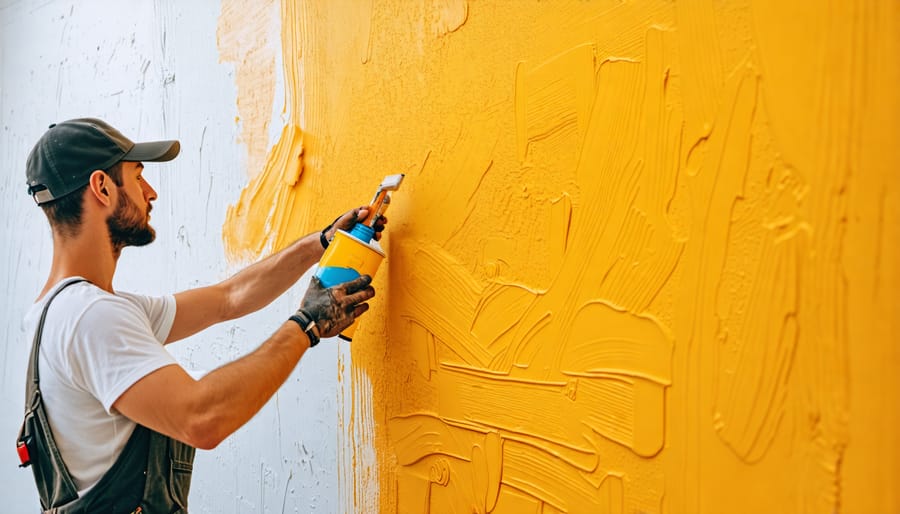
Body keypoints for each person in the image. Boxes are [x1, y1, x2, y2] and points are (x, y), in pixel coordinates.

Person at [17, 118, 382, 513]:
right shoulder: (92, 317)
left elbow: (230, 298)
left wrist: (323, 242)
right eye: (138, 177)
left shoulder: (62, 311)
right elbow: (202, 418)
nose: (150, 192)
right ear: (102, 188)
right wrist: (306, 325)